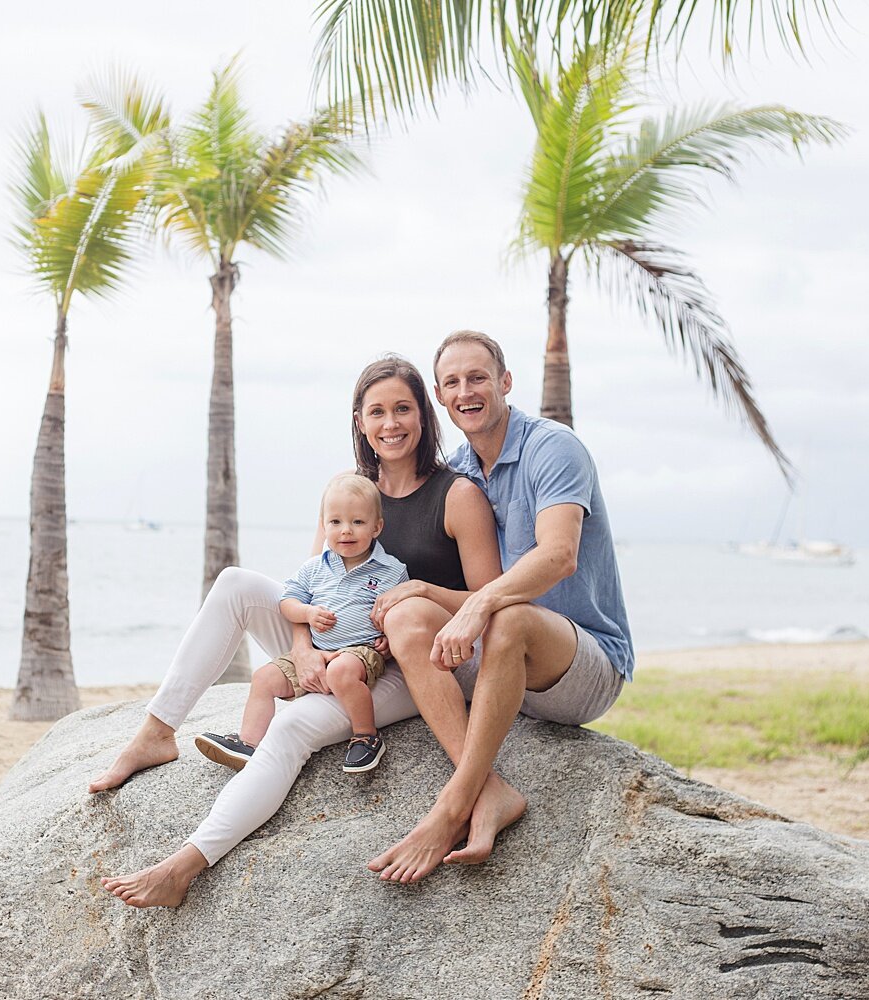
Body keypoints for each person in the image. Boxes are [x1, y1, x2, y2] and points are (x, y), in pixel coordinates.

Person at [91, 354, 502, 908]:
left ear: (424, 416)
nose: (391, 424)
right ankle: (156, 733)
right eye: (376, 411)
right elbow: (309, 592)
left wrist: (421, 592)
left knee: (292, 729)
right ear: (359, 420)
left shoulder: (457, 495)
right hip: (328, 644)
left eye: (403, 409)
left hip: (401, 666)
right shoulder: (348, 495)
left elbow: (488, 602)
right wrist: (304, 650)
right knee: (236, 582)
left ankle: (182, 867)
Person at [368, 330, 634, 885]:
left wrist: (477, 607)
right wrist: (424, 596)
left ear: (505, 382)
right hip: (504, 667)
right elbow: (470, 595)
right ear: (440, 397)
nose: (466, 390)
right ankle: (493, 791)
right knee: (408, 616)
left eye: (478, 377)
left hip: (583, 663)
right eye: (453, 382)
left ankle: (453, 806)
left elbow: (558, 556)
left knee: (507, 617)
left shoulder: (552, 446)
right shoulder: (461, 473)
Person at [195, 473, 409, 774]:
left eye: (357, 522)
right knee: (263, 679)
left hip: (359, 651)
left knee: (341, 671)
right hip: (316, 650)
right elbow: (287, 603)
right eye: (335, 522)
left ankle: (366, 736)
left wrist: (390, 635)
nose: (345, 531)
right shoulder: (314, 568)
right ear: (324, 525)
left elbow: (404, 610)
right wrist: (307, 614)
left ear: (377, 526)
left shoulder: (391, 570)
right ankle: (248, 743)